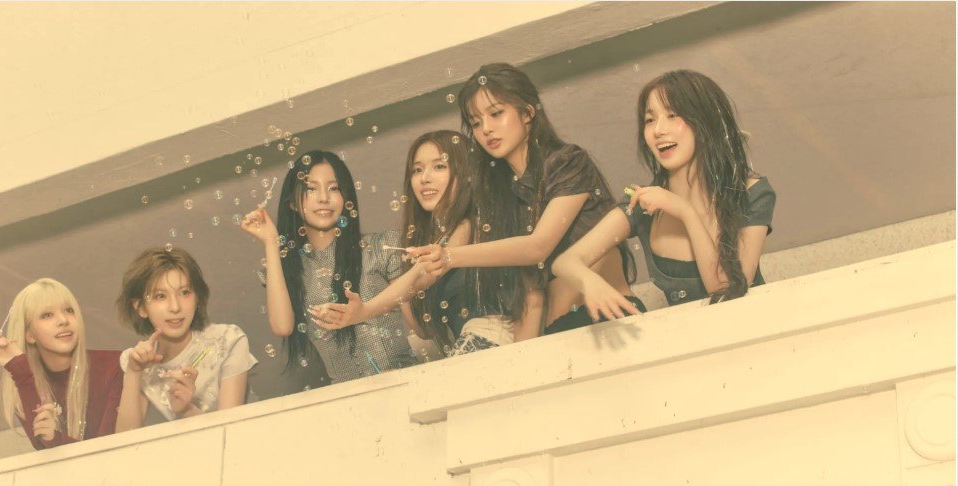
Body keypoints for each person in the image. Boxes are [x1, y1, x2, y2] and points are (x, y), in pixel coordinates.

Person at [409, 63, 643, 333]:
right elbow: (530, 296)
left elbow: (538, 246)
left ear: (528, 112)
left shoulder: (568, 163)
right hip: (557, 334)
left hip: (613, 320)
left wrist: (449, 256)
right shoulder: (501, 199)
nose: (486, 129)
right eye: (476, 123)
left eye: (496, 113)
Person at [553, 69, 776, 317]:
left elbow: (725, 289)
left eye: (672, 115)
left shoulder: (752, 192)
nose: (658, 130)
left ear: (705, 120)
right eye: (650, 120)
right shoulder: (642, 203)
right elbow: (565, 262)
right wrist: (590, 282)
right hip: (687, 338)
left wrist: (685, 212)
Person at [310, 131, 543, 357]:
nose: (424, 178)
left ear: (465, 174)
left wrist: (365, 311)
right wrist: (399, 276)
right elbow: (424, 330)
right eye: (417, 170)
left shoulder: (466, 226)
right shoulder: (435, 241)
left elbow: (424, 273)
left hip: (490, 341)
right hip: (472, 347)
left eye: (439, 166)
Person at [241, 151, 417, 386]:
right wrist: (272, 243)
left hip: (405, 384)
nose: (324, 198)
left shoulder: (381, 247)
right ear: (292, 202)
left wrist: (421, 272)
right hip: (345, 397)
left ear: (346, 197)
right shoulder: (289, 270)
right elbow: (282, 326)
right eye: (311, 189)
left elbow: (419, 327)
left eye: (333, 188)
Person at [115, 247, 256, 430]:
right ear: (141, 307)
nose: (175, 307)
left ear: (197, 298)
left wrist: (186, 411)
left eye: (184, 292)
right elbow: (125, 440)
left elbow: (231, 433)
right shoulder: (137, 360)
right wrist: (134, 372)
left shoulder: (227, 340)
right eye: (160, 296)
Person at [0, 278, 123, 449]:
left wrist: (54, 438)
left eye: (69, 310)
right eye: (47, 315)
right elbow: (44, 448)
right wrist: (18, 367)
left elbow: (108, 453)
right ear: (29, 335)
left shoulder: (115, 365)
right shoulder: (23, 382)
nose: (63, 320)